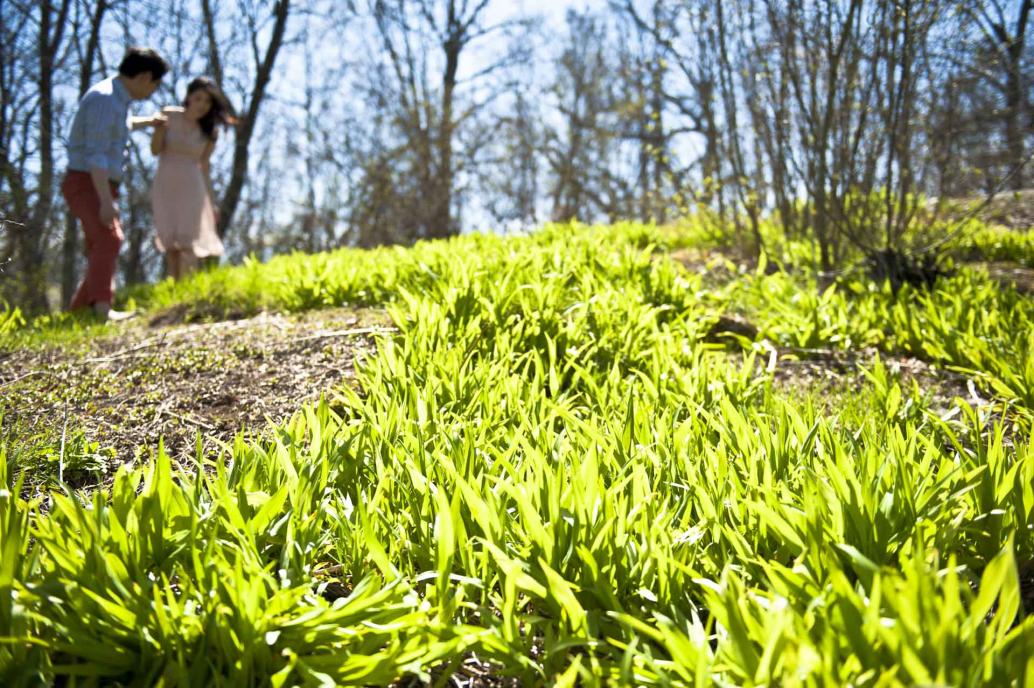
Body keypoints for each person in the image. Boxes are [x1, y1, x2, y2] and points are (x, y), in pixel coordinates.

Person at [63, 46, 169, 321]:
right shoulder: (105, 99)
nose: (152, 92)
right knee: (110, 239)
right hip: (87, 180)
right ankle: (101, 310)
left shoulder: (116, 101)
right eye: (154, 85)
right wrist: (106, 201)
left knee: (101, 244)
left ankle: (78, 313)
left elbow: (119, 126)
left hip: (97, 182)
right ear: (145, 77)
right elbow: (96, 155)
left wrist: (149, 122)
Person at [150, 77, 234, 280]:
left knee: (188, 241)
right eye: (198, 99)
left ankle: (186, 290)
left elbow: (204, 167)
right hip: (166, 183)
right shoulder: (169, 115)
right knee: (170, 242)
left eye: (207, 102)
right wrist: (160, 128)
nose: (202, 105)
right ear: (188, 97)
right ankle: (172, 291)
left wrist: (211, 202)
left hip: (192, 186)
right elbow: (155, 150)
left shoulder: (209, 132)